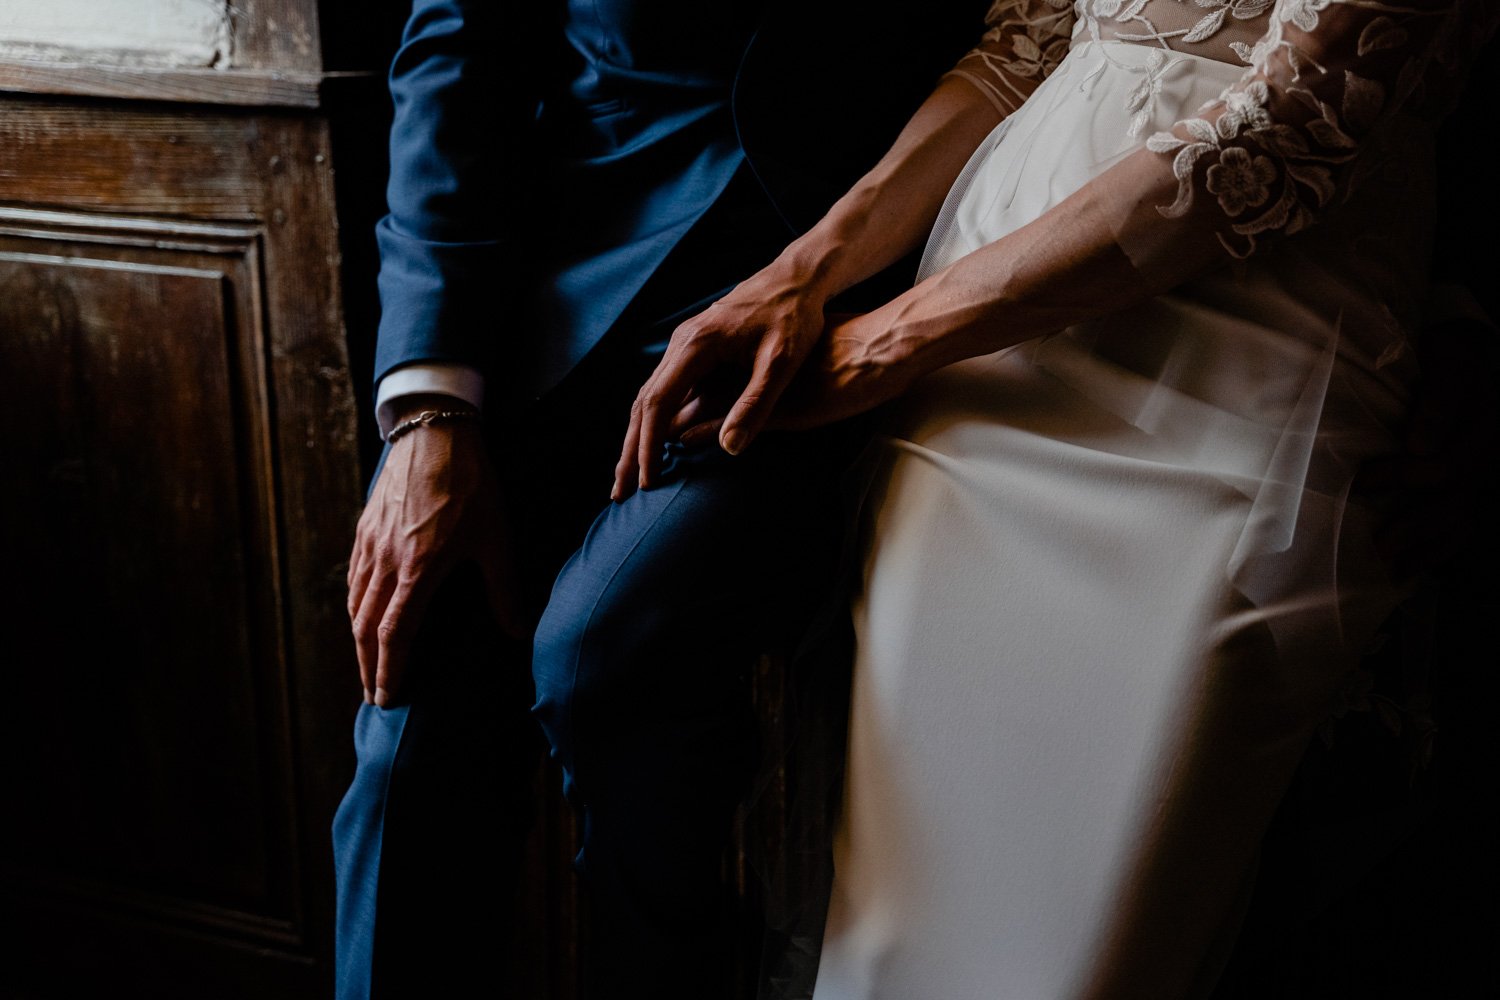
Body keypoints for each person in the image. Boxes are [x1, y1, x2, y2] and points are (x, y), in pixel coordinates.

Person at [613, 0, 1499, 996]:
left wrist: (891, 340)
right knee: (903, 913)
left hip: (1251, 338)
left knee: (1093, 936)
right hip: (986, 334)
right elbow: (1026, 39)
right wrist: (808, 273)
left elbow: (1300, 112)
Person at [329, 2, 992, 998]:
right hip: (552, 303)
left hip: (838, 327)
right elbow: (458, 49)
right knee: (413, 712)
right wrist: (430, 409)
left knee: (610, 656)